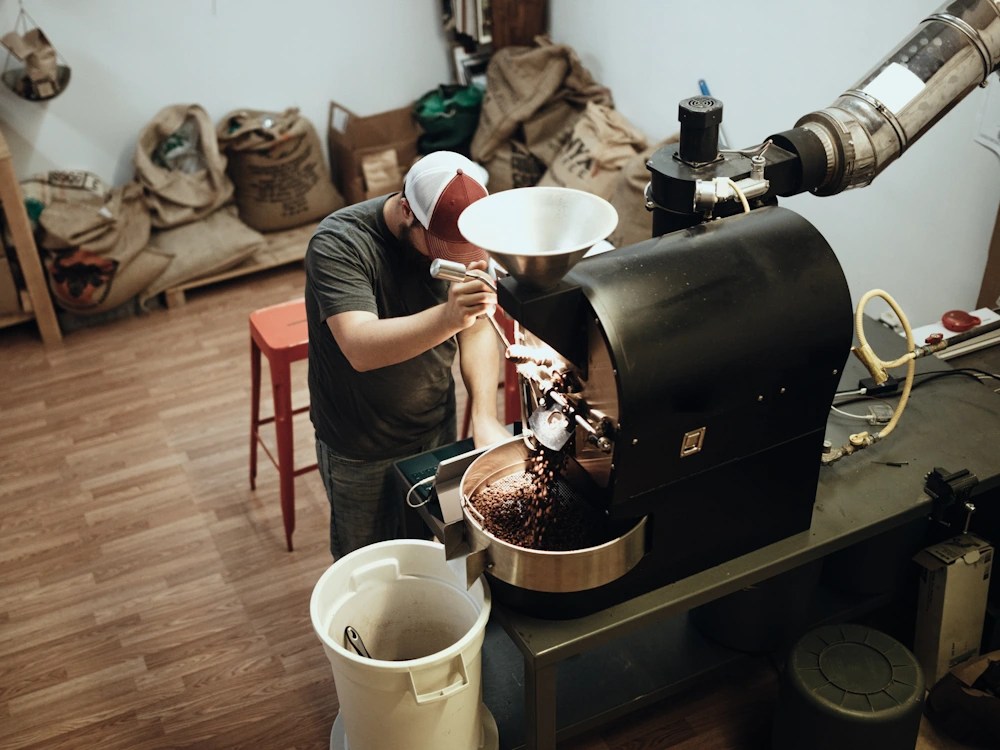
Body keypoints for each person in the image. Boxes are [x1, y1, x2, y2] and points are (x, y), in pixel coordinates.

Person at [304, 150, 511, 560]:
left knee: (433, 546)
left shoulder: (470, 235)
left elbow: (477, 328)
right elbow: (360, 346)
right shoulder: (340, 244)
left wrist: (484, 414)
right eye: (440, 247)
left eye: (462, 251)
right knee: (368, 564)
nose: (452, 260)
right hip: (360, 442)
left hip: (435, 424)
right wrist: (451, 316)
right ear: (406, 210)